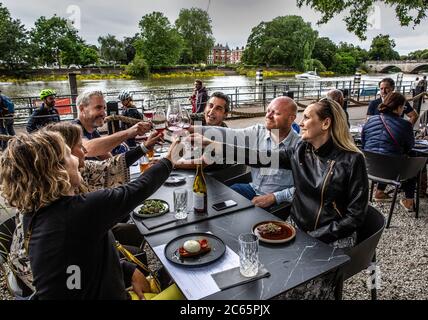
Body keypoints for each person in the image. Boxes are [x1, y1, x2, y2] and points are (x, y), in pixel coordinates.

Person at [197, 98, 368, 299]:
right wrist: (215, 145)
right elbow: (259, 156)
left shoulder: (352, 160)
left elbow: (355, 217)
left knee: (290, 291)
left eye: (306, 118)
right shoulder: (301, 150)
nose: (301, 123)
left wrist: (314, 237)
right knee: (263, 275)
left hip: (333, 238)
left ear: (325, 123)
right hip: (296, 230)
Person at [0, 131, 181, 299]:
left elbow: (77, 264)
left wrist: (127, 269)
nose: (77, 159)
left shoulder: (33, 215)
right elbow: (139, 188)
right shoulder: (79, 212)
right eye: (68, 154)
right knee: (183, 290)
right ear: (56, 169)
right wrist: (171, 157)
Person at [193, 96, 300, 210]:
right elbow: (229, 134)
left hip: (277, 201)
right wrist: (193, 129)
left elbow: (306, 189)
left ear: (291, 118)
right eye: (268, 111)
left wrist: (274, 197)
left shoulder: (300, 146)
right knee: (216, 201)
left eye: (276, 113)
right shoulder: (258, 131)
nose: (268, 116)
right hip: (253, 188)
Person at [361, 92, 415, 210]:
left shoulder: (370, 121)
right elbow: (410, 146)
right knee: (412, 162)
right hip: (393, 172)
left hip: (370, 168)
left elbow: (364, 143)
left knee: (386, 155)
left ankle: (379, 192)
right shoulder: (405, 124)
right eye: (403, 107)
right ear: (399, 107)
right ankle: (409, 201)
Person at [73, 90, 151, 160]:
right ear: (82, 109)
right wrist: (128, 133)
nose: (104, 113)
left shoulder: (93, 131)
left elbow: (111, 162)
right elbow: (87, 148)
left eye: (104, 108)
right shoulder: (71, 130)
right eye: (98, 108)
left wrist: (145, 146)